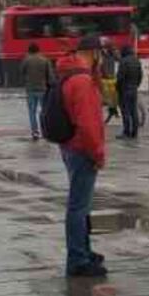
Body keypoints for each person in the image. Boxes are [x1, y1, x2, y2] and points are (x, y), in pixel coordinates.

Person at [56, 36, 109, 277]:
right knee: (79, 207)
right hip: (82, 150)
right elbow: (88, 125)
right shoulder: (82, 81)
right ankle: (78, 258)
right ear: (94, 53)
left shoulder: (69, 74)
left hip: (69, 147)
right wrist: (98, 153)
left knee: (80, 205)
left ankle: (84, 251)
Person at [20, 43, 55, 140]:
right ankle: (46, 131)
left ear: (29, 50)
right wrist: (52, 85)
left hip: (30, 89)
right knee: (44, 111)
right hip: (42, 89)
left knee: (32, 111)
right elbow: (50, 75)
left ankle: (35, 132)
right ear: (38, 50)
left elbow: (21, 71)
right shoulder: (44, 60)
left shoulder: (26, 60)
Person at [116, 45, 143, 140]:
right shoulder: (137, 61)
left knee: (125, 111)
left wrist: (118, 88)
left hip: (124, 90)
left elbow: (120, 77)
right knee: (133, 111)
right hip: (134, 88)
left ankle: (126, 132)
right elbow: (140, 75)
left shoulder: (123, 62)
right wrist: (136, 85)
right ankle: (134, 132)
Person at [99, 40, 120, 124]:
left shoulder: (112, 54)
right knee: (107, 98)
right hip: (104, 79)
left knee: (114, 97)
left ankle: (113, 110)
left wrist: (115, 51)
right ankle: (111, 110)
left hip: (112, 78)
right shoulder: (100, 55)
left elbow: (119, 59)